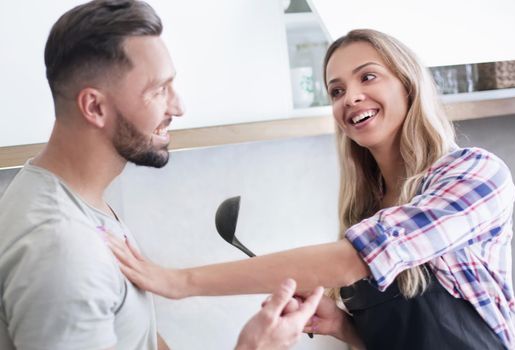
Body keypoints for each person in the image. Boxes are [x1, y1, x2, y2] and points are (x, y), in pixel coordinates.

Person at [109, 28, 515, 350]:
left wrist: (180, 282)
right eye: (337, 90)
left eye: (368, 77)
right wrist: (343, 327)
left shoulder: (475, 174)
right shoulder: (365, 209)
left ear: (408, 85)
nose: (350, 97)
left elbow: (355, 259)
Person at [0, 1, 321, 349]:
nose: (178, 107)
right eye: (158, 90)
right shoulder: (62, 250)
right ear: (94, 107)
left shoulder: (73, 199)